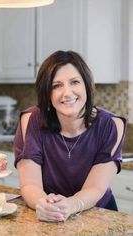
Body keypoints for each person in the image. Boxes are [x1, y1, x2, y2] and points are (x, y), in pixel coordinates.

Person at [13, 50, 126, 222]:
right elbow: (30, 184)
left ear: (86, 85)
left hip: (99, 215)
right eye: (56, 85)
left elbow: (95, 188)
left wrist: (71, 205)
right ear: (47, 93)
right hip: (48, 212)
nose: (67, 93)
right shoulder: (31, 120)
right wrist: (42, 204)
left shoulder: (111, 125)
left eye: (74, 82)